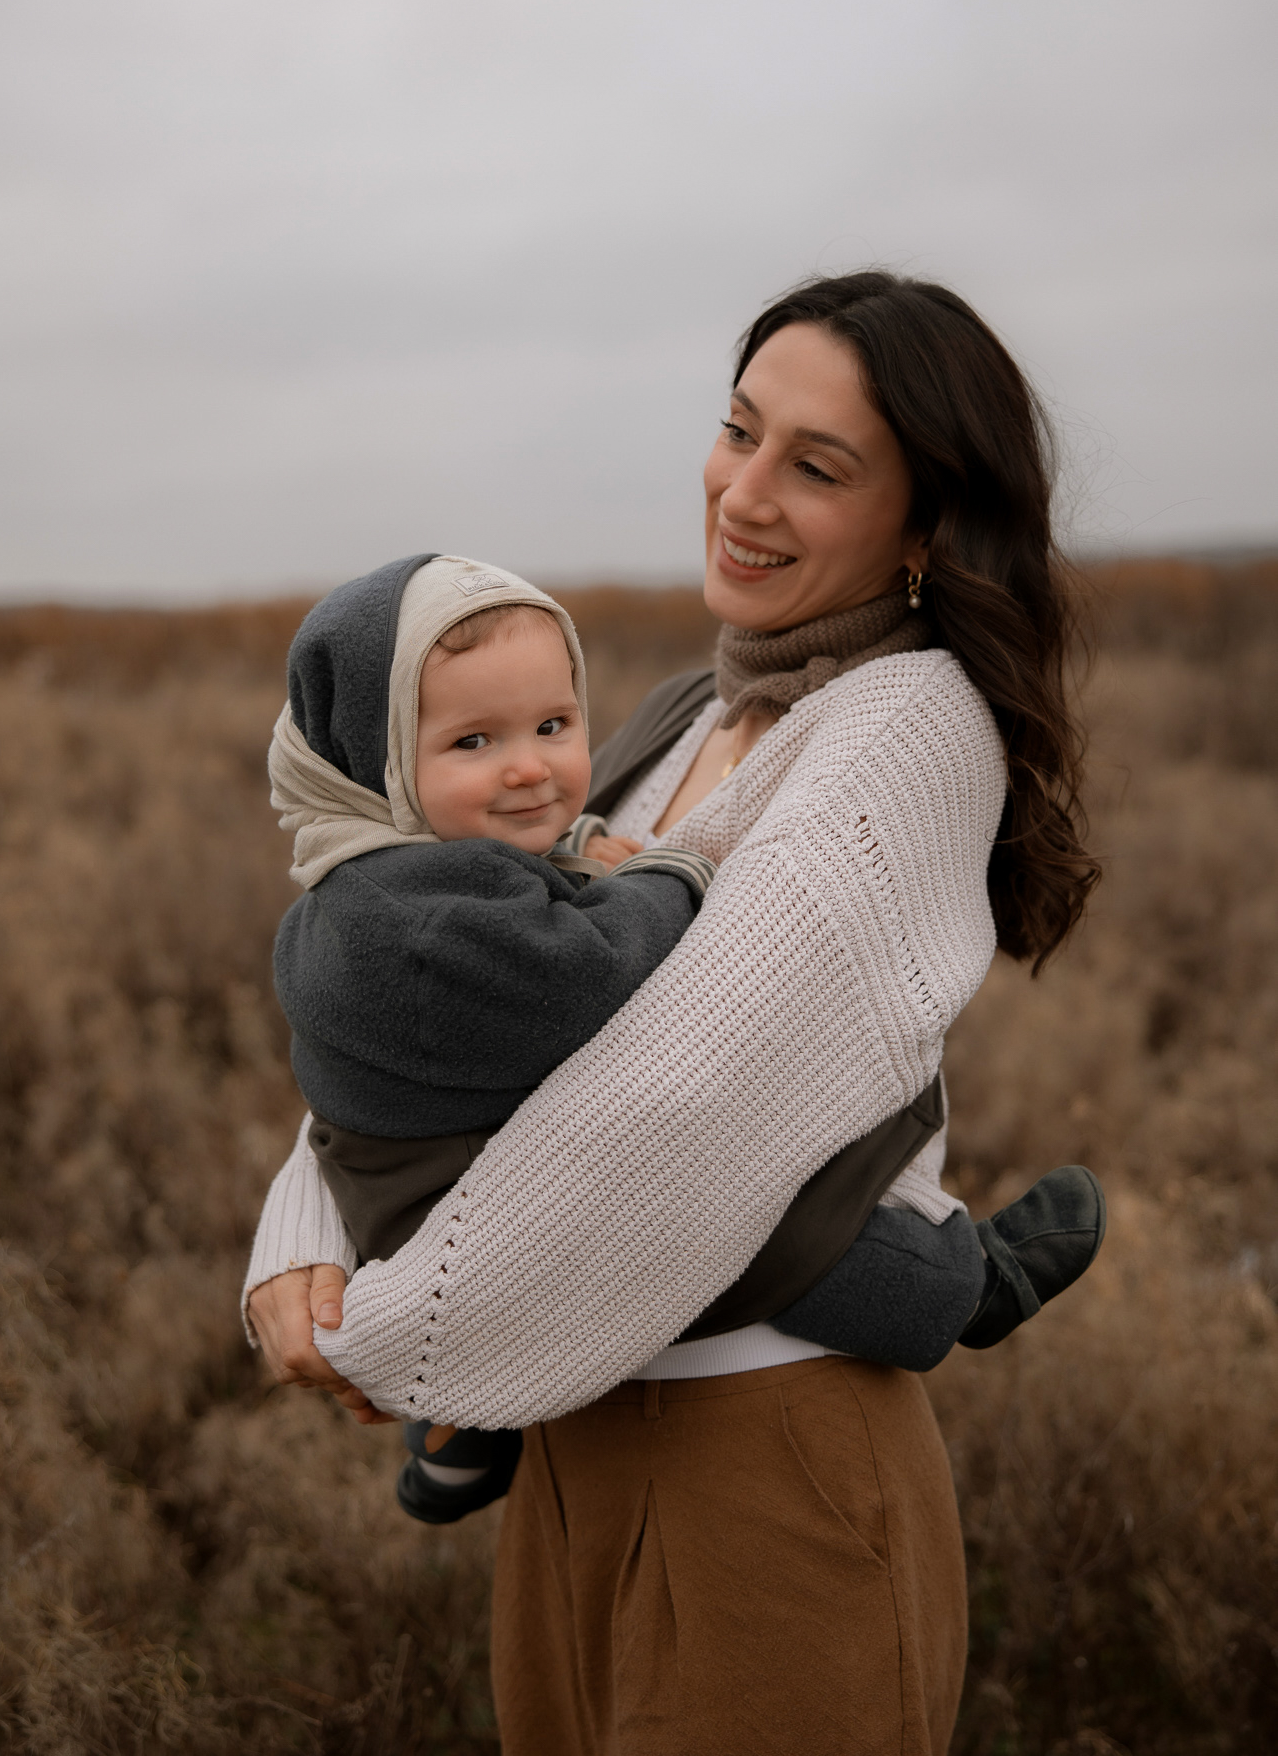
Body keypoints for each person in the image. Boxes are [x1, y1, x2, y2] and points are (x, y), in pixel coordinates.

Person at [246, 270, 1104, 1755]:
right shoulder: (679, 724)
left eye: (815, 467)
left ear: (920, 530)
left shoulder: (903, 729)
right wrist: (297, 1243)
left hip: (761, 1458)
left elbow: (673, 1107)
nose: (742, 492)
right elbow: (436, 1028)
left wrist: (383, 1322)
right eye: (736, 429)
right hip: (574, 1429)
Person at [257, 548, 1105, 1530]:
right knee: (778, 1226)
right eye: (472, 741)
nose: (530, 764)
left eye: (551, 724)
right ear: (378, 764)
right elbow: (588, 975)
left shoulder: (362, 885)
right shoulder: (428, 913)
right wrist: (666, 876)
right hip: (479, 1212)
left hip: (409, 1198)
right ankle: (958, 1288)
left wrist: (573, 853)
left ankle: (459, 1437)